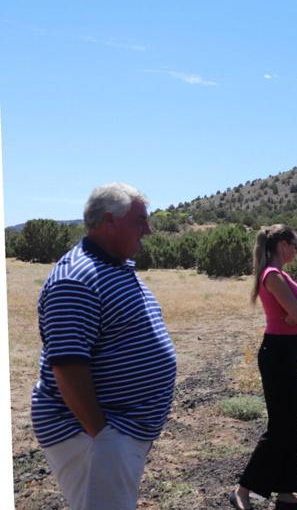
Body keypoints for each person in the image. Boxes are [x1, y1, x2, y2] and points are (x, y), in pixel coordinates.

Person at [31, 183, 177, 510]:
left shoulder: (115, 267)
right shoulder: (77, 278)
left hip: (113, 433)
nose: (148, 229)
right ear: (109, 221)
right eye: (140, 220)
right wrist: (103, 434)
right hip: (92, 434)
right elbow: (67, 367)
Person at [231, 225, 297, 510]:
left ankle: (286, 490)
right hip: (277, 352)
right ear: (282, 245)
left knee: (291, 423)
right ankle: (242, 489)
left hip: (288, 351)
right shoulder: (273, 276)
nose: (296, 250)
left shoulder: (282, 275)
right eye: (295, 245)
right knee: (280, 425)